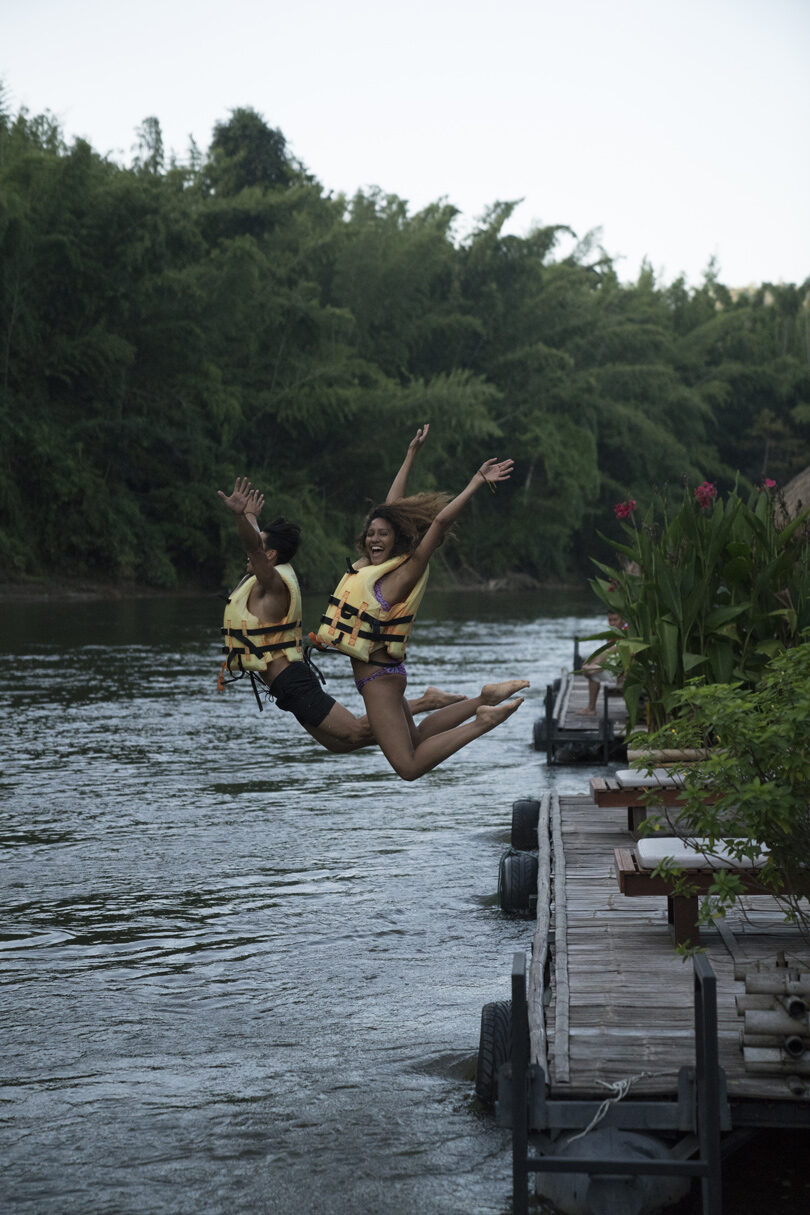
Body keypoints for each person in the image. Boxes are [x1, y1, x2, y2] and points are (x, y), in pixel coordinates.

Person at [216, 477, 498, 757]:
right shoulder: (258, 580)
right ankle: (430, 705)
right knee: (340, 744)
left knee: (356, 732)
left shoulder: (273, 586)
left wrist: (242, 516)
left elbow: (254, 546)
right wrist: (250, 516)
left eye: (256, 551)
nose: (247, 555)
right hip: (283, 685)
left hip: (292, 680)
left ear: (271, 555)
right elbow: (256, 545)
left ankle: (429, 702)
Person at [315, 428, 529, 780]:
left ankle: (482, 721)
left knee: (409, 767)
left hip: (379, 680)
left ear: (397, 538)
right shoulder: (373, 567)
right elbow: (390, 506)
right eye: (371, 533)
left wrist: (476, 483)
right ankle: (482, 699)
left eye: (383, 534)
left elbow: (442, 521)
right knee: (416, 737)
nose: (374, 538)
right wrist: (410, 455)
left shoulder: (403, 574)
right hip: (386, 675)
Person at [576, 611, 626, 715]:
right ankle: (591, 708)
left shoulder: (627, 632)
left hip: (625, 671)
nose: (612, 623)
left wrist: (597, 665)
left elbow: (616, 649)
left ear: (623, 620)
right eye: (610, 620)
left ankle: (591, 708)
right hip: (615, 666)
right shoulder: (613, 634)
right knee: (590, 670)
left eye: (615, 620)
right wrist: (590, 662)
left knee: (593, 674)